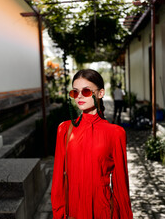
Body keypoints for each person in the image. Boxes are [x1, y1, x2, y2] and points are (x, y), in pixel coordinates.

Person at [51, 69, 133, 219]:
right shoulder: (64, 129)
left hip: (103, 211)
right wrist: (58, 214)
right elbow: (58, 180)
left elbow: (121, 184)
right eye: (75, 92)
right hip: (73, 211)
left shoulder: (115, 132)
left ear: (100, 93)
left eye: (86, 91)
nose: (80, 96)